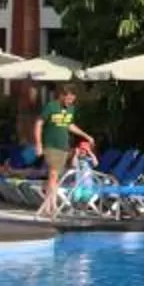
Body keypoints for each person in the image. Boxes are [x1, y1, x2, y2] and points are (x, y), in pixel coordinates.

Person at [37, 87, 83, 216]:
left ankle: (50, 203)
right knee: (53, 175)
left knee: (56, 177)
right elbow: (38, 124)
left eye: (72, 99)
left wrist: (85, 135)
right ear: (62, 96)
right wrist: (39, 144)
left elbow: (69, 125)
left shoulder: (70, 109)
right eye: (68, 98)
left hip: (64, 146)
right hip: (51, 145)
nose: (70, 101)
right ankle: (51, 206)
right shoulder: (51, 107)